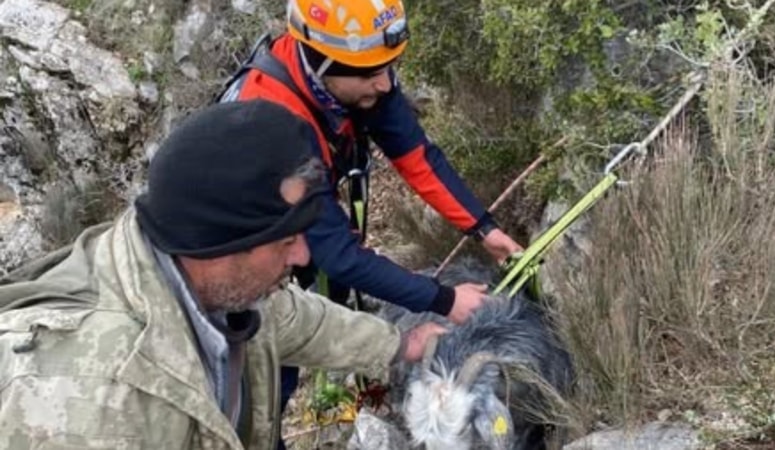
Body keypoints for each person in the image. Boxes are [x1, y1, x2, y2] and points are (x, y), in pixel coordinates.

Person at [0, 100, 445, 450]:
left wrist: (400, 344)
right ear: (217, 247)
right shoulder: (84, 406)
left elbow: (293, 319)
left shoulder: (220, 283)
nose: (305, 253)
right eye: (285, 241)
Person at [218, 0, 524, 430]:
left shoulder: (353, 77)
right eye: (369, 73)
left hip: (290, 238)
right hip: (233, 275)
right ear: (320, 61)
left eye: (389, 66)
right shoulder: (273, 122)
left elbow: (417, 156)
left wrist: (483, 227)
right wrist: (445, 300)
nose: (384, 84)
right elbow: (338, 256)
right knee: (259, 390)